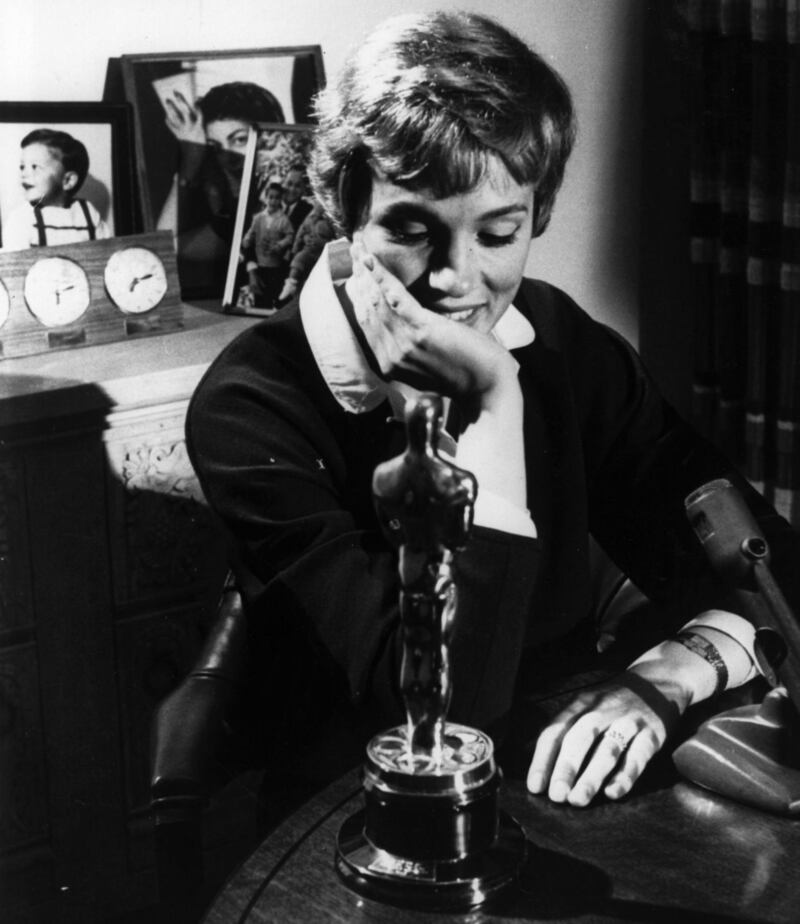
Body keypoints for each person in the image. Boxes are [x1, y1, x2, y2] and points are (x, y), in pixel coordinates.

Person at [187, 11, 800, 808]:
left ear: (536, 216)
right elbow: (443, 727)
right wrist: (494, 404)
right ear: (345, 209)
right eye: (411, 229)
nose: (454, 279)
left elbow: (772, 570)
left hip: (562, 780)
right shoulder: (249, 407)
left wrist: (673, 674)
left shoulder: (566, 343)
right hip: (358, 806)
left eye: (499, 232)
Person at [157, 81, 285, 297]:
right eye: (215, 147)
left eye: (239, 140)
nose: (227, 157)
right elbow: (162, 249)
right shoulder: (236, 211)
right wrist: (190, 159)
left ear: (271, 138)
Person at [2, 128, 111, 250]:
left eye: (34, 167)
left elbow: (106, 252)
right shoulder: (21, 219)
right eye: (22, 167)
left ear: (68, 181)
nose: (24, 174)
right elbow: (15, 265)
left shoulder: (88, 214)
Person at [240, 181, 294, 309]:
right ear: (266, 198)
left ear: (281, 199)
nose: (273, 201)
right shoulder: (258, 218)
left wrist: (280, 245)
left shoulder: (283, 219)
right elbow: (252, 233)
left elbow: (290, 236)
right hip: (260, 263)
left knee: (272, 292)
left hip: (275, 265)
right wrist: (247, 239)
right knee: (259, 292)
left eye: (277, 198)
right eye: (271, 197)